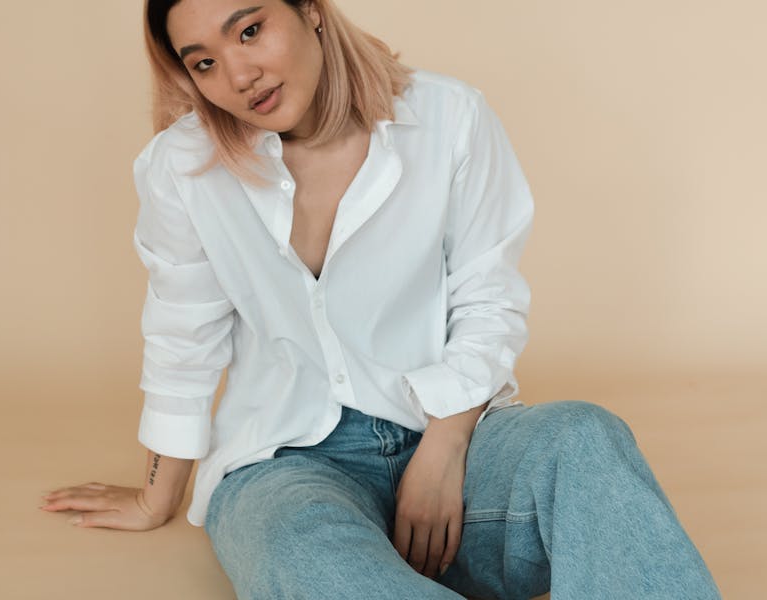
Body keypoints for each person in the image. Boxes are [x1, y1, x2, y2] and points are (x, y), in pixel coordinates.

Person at [40, 1, 723, 598]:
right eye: (204, 62)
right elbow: (182, 333)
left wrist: (447, 446)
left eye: (249, 30)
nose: (238, 75)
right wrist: (160, 495)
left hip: (455, 455)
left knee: (583, 436)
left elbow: (487, 298)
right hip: (287, 468)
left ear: (309, 7)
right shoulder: (183, 167)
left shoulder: (448, 118)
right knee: (303, 552)